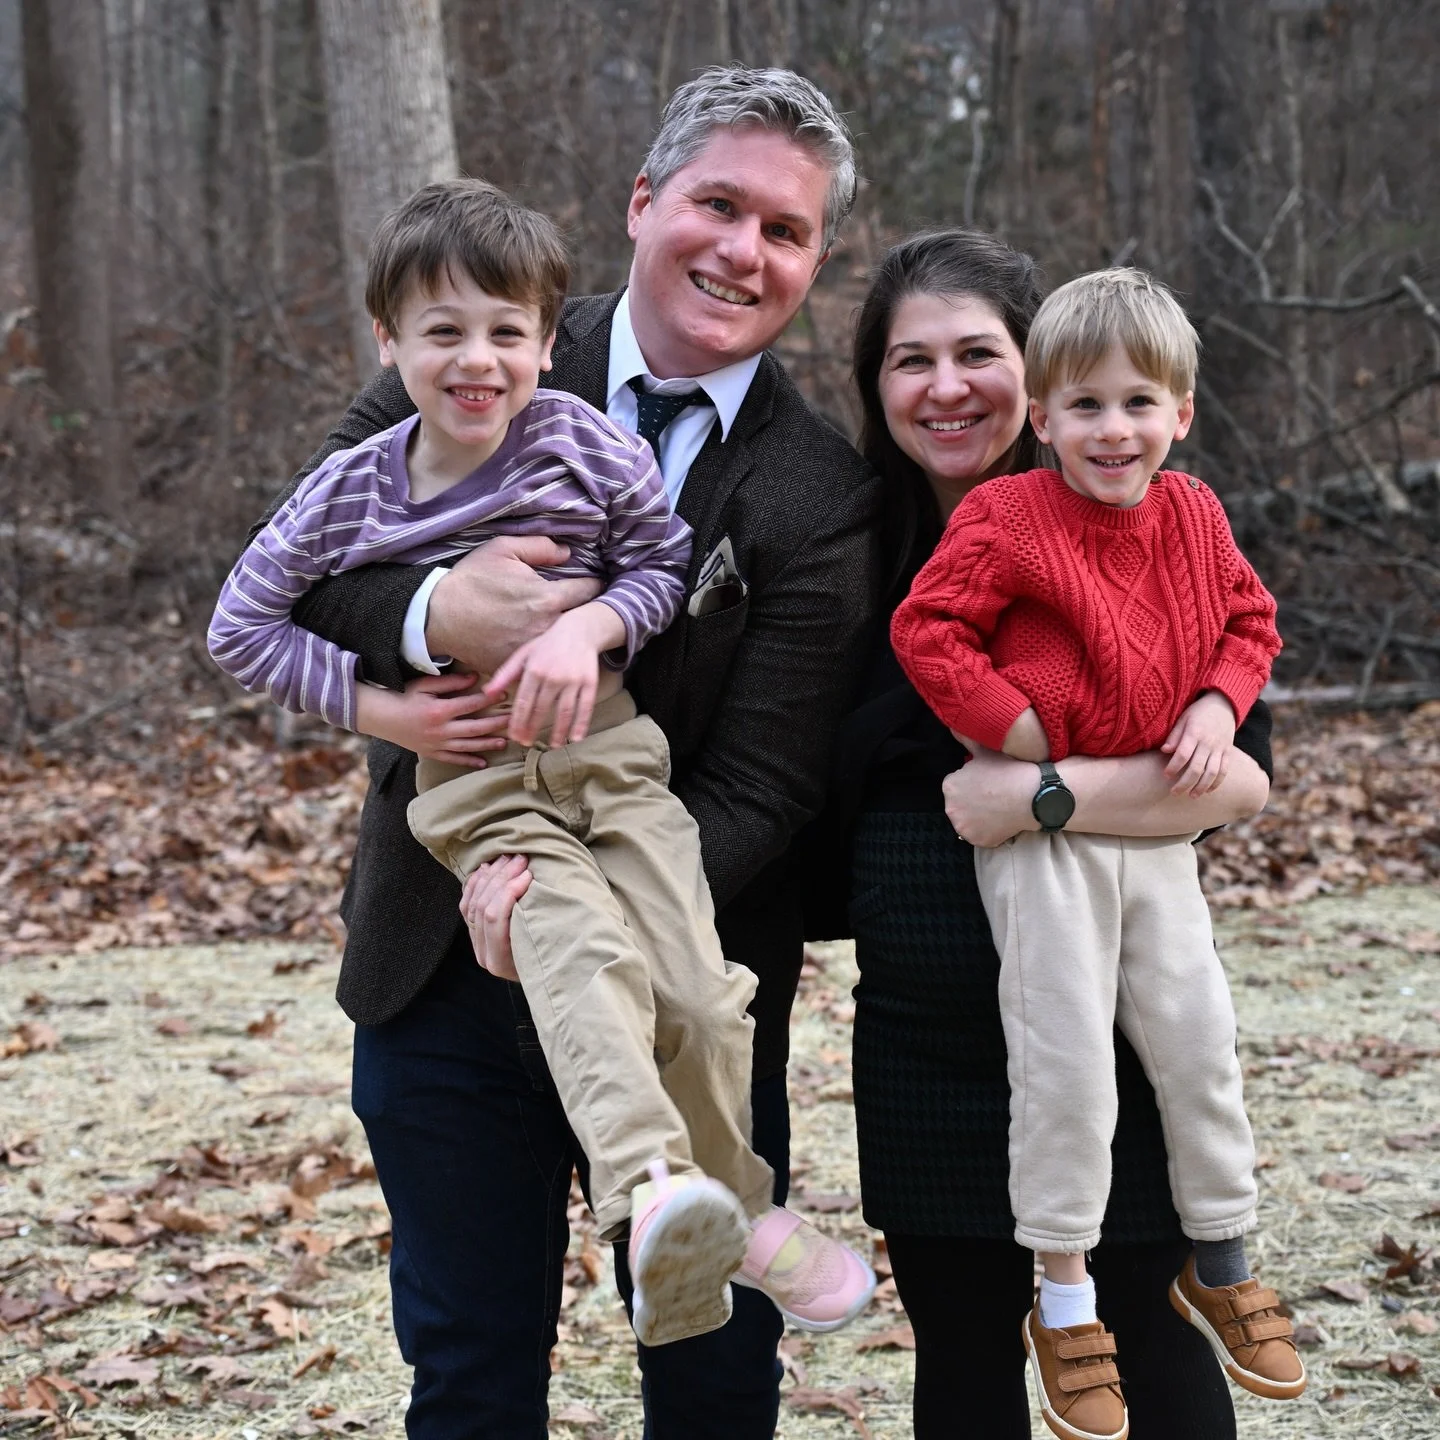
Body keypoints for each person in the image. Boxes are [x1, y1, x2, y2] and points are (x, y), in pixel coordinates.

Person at [247, 68, 882, 1439]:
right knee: (472, 1375)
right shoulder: (481, 335)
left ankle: (718, 1218)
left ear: (816, 261)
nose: (741, 250)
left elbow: (767, 784)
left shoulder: (822, 493)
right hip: (444, 957)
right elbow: (304, 571)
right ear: (645, 202)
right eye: (718, 203)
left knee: (711, 1381)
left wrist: (564, 907)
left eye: (784, 230)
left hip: (678, 954)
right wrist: (434, 611)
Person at [803, 229, 1280, 1440]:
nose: (946, 385)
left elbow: (1239, 785)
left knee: (1151, 1351)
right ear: (876, 385)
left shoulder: (1150, 529)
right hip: (925, 1033)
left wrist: (1040, 796)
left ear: (1037, 372)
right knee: (963, 1358)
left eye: (978, 352)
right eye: (912, 360)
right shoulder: (844, 551)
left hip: (1105, 1013)